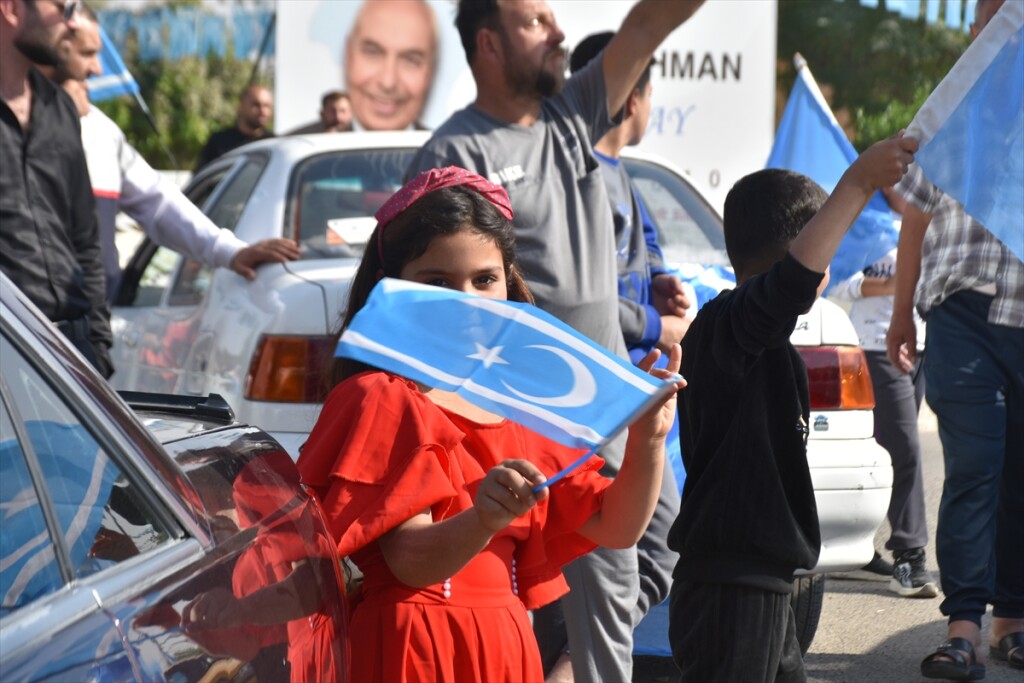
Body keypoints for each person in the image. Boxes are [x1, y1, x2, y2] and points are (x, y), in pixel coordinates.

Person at [404, 2, 706, 679]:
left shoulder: (572, 116)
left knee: (650, 555)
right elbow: (436, 311)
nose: (559, 32)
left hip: (613, 410)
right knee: (581, 599)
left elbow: (647, 27)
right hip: (534, 424)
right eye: (536, 21)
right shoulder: (455, 155)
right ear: (489, 43)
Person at [296, 166, 684, 682]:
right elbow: (409, 560)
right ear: (395, 287)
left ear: (509, 280)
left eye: (484, 280)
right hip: (413, 649)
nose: (467, 301)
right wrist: (483, 519)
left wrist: (647, 440)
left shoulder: (523, 406)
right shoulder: (383, 397)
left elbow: (616, 526)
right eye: (438, 282)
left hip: (505, 649)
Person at [667, 136, 917, 682]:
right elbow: (791, 284)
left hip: (764, 583)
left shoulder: (752, 337)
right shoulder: (731, 326)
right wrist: (860, 181)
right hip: (731, 591)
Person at [887, 0, 1024, 678]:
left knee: (1019, 473)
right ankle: (964, 626)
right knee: (974, 465)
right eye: (987, 17)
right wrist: (900, 315)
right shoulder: (950, 110)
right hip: (961, 316)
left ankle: (1012, 622)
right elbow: (913, 217)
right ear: (973, 30)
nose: (999, 27)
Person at [40, 9, 299, 300]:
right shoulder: (14, 127)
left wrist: (230, 252)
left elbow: (159, 203)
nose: (98, 69)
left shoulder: (103, 132)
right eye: (87, 53)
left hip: (92, 315)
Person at [0, 0, 114, 378]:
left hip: (72, 353)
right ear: (12, 8)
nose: (73, 22)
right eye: (63, 8)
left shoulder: (60, 108)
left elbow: (85, 240)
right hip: (9, 351)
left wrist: (97, 347)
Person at [829, 248, 937, 598]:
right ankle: (909, 557)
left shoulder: (933, 222)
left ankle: (851, 551)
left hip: (923, 344)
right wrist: (891, 285)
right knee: (905, 448)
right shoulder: (866, 225)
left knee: (878, 449)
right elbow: (835, 282)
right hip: (877, 346)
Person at [344, 0, 436, 131]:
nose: (388, 82)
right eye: (373, 53)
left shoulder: (448, 144)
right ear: (349, 56)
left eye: (411, 60)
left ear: (429, 71)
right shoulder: (311, 142)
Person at [195, 83, 274, 171]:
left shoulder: (274, 143)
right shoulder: (220, 142)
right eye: (256, 105)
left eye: (267, 106)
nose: (262, 111)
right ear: (241, 106)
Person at [287, 90, 353, 135]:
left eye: (343, 111)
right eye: (332, 111)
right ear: (322, 114)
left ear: (351, 113)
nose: (338, 116)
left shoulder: (358, 136)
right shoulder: (306, 135)